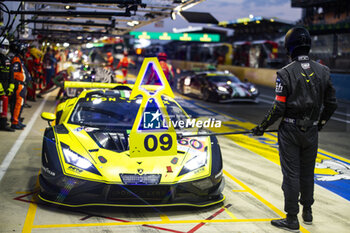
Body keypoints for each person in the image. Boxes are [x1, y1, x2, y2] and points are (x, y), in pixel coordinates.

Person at [252, 27, 337, 231]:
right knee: (307, 173)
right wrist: (320, 123)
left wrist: (262, 127)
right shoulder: (323, 71)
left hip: (290, 131)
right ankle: (307, 212)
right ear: (308, 45)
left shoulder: (285, 73)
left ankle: (291, 218)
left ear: (289, 47)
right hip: (312, 131)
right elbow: (332, 104)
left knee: (291, 175)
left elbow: (279, 107)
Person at [10, 41, 31, 130]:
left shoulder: (19, 60)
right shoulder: (16, 60)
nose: (25, 52)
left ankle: (17, 120)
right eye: (24, 50)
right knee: (17, 104)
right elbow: (15, 74)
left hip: (22, 85)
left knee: (20, 104)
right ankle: (15, 122)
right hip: (19, 86)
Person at [0, 37, 15, 131]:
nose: (5, 48)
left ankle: (3, 123)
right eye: (3, 46)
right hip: (1, 88)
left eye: (6, 46)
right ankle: (2, 124)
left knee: (4, 106)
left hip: (5, 89)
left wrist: (11, 87)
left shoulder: (8, 59)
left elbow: (11, 75)